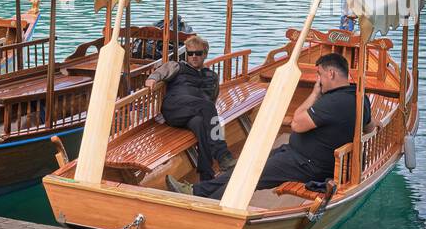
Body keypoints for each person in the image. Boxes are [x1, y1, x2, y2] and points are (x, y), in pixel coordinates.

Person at [169, 52, 371, 199]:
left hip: (306, 164)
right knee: (248, 163)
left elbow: (297, 124)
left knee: (251, 175)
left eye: (319, 75)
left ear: (331, 74)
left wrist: (315, 93)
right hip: (300, 156)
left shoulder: (332, 102)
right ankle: (197, 191)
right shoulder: (359, 98)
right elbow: (369, 126)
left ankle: (207, 204)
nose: (318, 80)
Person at [145, 34, 233, 181]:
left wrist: (206, 114)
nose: (193, 56)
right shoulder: (177, 66)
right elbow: (161, 71)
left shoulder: (211, 76)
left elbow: (212, 97)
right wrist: (152, 78)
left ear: (205, 54)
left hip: (194, 112)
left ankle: (206, 174)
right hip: (174, 108)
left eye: (198, 53)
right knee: (207, 107)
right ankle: (223, 154)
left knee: (200, 124)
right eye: (190, 53)